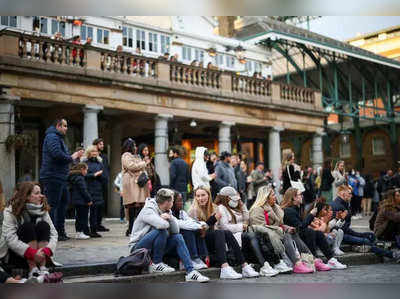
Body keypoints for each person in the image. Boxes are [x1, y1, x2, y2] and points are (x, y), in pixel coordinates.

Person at [128, 188, 210, 282]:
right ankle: (156, 263)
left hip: (153, 248)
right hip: (138, 248)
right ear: (167, 202)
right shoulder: (148, 210)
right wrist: (162, 218)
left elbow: (175, 231)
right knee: (162, 231)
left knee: (178, 237)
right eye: (173, 200)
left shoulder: (167, 210)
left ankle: (190, 271)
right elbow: (162, 225)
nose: (174, 203)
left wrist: (170, 218)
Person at [188, 186, 259, 279]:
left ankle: (244, 266)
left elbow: (216, 228)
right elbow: (199, 232)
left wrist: (241, 202)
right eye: (198, 196)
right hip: (200, 242)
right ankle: (224, 267)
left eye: (203, 195)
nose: (200, 198)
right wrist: (212, 220)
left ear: (208, 196)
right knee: (220, 232)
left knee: (226, 232)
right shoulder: (192, 211)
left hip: (214, 238)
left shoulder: (214, 208)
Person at [216, 187, 289, 277]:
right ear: (226, 198)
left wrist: (242, 205)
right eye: (233, 199)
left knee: (261, 234)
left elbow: (247, 218)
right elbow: (224, 226)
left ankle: (274, 262)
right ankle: (263, 265)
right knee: (253, 235)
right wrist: (241, 226)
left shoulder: (236, 207)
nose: (235, 201)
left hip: (242, 233)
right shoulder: (221, 208)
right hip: (234, 236)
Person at [0, 182, 58, 279]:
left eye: (41, 192)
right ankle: (33, 269)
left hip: (41, 255)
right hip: (18, 255)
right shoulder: (10, 211)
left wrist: (47, 250)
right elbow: (10, 238)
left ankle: (43, 268)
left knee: (44, 225)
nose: (41, 196)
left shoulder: (42, 209)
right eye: (37, 193)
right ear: (26, 196)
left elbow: (54, 233)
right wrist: (31, 253)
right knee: (27, 226)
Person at [281, 187, 347, 270]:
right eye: (300, 195)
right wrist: (311, 215)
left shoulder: (298, 208)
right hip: (292, 237)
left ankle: (331, 259)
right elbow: (300, 227)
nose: (302, 196)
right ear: (293, 197)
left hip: (299, 235)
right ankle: (313, 259)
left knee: (317, 233)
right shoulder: (289, 210)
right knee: (309, 231)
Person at [40, 118, 84, 241]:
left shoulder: (57, 138)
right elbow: (57, 155)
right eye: (64, 126)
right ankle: (51, 234)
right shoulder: (52, 137)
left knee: (63, 203)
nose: (66, 128)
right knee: (53, 205)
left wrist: (74, 157)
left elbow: (62, 157)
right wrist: (72, 156)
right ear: (58, 126)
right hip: (52, 176)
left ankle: (60, 232)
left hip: (60, 177)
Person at [331, 185, 400, 261]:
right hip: (340, 235)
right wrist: (359, 235)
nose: (351, 195)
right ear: (342, 194)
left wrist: (360, 234)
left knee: (370, 236)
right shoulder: (338, 206)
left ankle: (366, 247)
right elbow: (340, 228)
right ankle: (391, 254)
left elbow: (345, 228)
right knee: (367, 240)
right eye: (349, 193)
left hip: (345, 232)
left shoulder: (345, 204)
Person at [171, 190, 208, 270]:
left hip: (181, 241)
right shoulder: (169, 213)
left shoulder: (182, 213)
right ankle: (192, 259)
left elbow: (191, 221)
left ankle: (200, 259)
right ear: (172, 202)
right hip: (171, 243)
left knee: (197, 230)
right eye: (179, 201)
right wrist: (199, 225)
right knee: (187, 230)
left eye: (182, 200)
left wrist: (201, 225)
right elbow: (181, 224)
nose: (182, 203)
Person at [121, 138, 149, 237]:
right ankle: (130, 228)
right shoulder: (126, 156)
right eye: (134, 145)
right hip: (131, 183)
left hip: (137, 184)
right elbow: (131, 166)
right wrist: (143, 163)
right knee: (132, 206)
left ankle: (135, 228)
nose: (135, 147)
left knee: (138, 205)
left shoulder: (134, 156)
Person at [81, 146, 106, 238]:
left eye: (95, 151)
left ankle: (94, 230)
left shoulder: (100, 163)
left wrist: (102, 177)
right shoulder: (85, 162)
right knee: (87, 211)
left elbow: (104, 174)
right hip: (88, 188)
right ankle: (85, 229)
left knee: (96, 210)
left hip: (98, 188)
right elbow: (83, 175)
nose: (95, 153)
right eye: (92, 151)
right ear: (89, 153)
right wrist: (94, 175)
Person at [68, 163, 92, 239]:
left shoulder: (74, 177)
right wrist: (89, 199)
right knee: (82, 217)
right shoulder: (80, 178)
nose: (86, 172)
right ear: (82, 169)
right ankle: (80, 232)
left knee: (78, 217)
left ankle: (78, 232)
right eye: (86, 170)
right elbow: (83, 190)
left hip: (77, 200)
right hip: (82, 201)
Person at [92, 138, 110, 232]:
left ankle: (99, 224)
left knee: (102, 204)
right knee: (95, 205)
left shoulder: (104, 157)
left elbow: (107, 169)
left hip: (104, 182)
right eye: (100, 144)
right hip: (95, 183)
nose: (102, 146)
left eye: (102, 144)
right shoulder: (92, 157)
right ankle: (94, 224)